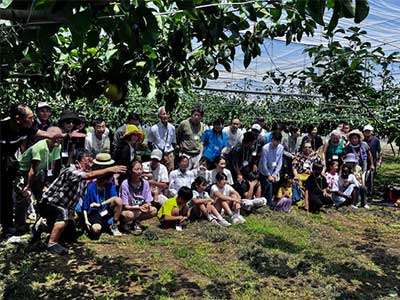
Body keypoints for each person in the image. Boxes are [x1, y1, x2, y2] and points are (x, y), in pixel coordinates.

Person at [33, 150, 126, 255]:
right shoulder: (71, 170)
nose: (89, 164)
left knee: (71, 236)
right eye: (87, 161)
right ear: (78, 162)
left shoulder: (90, 178)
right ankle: (52, 243)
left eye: (91, 161)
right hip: (52, 203)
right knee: (64, 215)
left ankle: (43, 226)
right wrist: (110, 169)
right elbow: (88, 175)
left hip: (66, 207)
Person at [0, 104, 58, 238]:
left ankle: (7, 227)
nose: (33, 121)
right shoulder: (2, 128)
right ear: (18, 118)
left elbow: (44, 134)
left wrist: (59, 135)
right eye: (30, 118)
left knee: (7, 197)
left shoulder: (25, 128)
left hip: (7, 166)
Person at [14, 126, 64, 233]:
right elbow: (32, 169)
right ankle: (20, 227)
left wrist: (47, 183)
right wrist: (27, 186)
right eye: (55, 137)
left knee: (42, 196)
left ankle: (39, 222)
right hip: (22, 171)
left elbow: (52, 166)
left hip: (38, 172)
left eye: (60, 138)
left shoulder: (57, 147)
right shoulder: (40, 147)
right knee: (23, 196)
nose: (58, 140)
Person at [82, 154, 123, 238]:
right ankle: (101, 226)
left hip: (106, 210)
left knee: (118, 200)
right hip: (95, 213)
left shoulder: (110, 185)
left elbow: (115, 198)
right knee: (96, 230)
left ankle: (113, 225)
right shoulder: (91, 186)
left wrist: (101, 204)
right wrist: (86, 220)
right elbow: (85, 206)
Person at [119, 161, 157, 235]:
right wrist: (138, 208)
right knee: (130, 215)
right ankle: (125, 223)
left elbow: (149, 200)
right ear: (130, 171)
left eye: (140, 169)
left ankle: (136, 222)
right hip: (129, 210)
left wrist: (147, 205)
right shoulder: (125, 184)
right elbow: (125, 205)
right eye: (136, 169)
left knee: (153, 210)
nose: (139, 172)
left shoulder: (145, 183)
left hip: (140, 209)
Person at [258, 131, 284, 207]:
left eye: (278, 141)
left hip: (274, 170)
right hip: (265, 171)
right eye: (274, 141)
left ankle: (274, 199)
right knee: (268, 183)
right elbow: (264, 163)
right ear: (272, 139)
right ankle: (268, 203)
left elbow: (279, 161)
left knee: (277, 181)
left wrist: (275, 173)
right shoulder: (265, 148)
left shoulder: (281, 147)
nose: (276, 143)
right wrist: (269, 175)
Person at [147, 106, 176, 172]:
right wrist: (155, 151)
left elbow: (174, 142)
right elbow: (149, 142)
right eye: (163, 114)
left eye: (167, 114)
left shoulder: (172, 128)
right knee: (158, 171)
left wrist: (169, 153)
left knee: (170, 171)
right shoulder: (154, 128)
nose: (165, 116)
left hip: (169, 154)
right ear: (159, 115)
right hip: (158, 154)